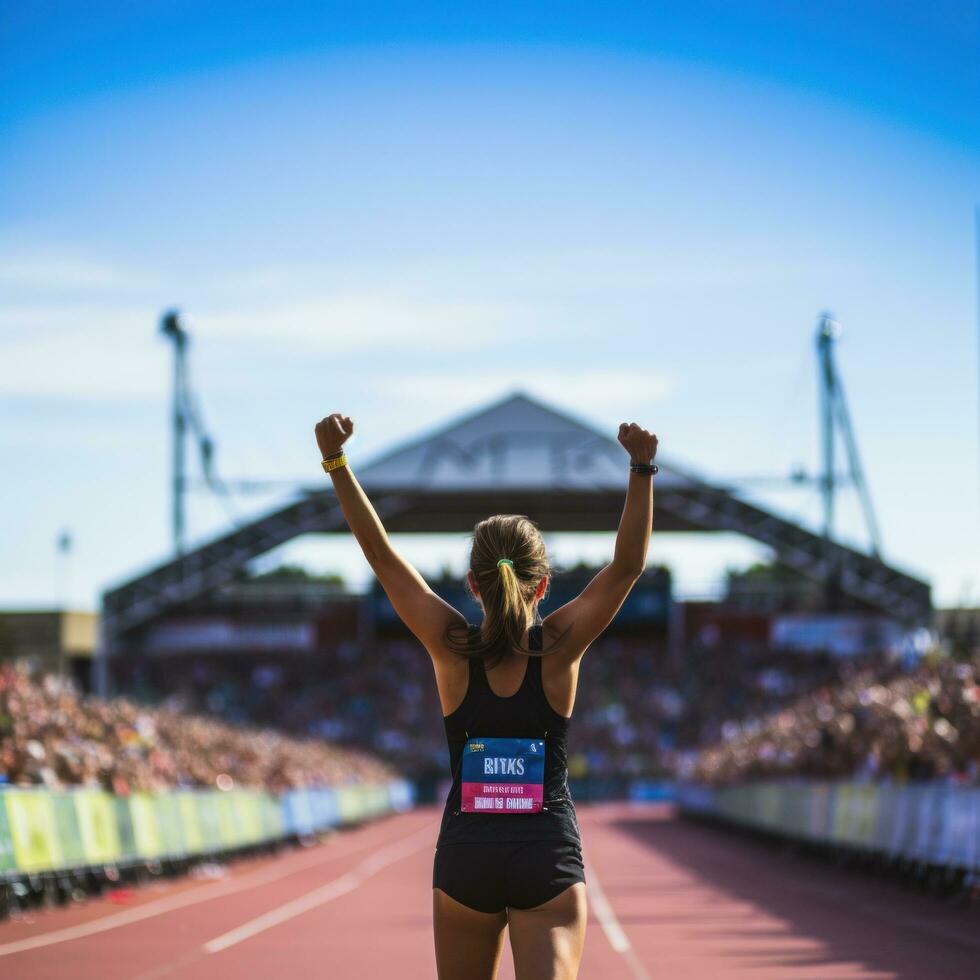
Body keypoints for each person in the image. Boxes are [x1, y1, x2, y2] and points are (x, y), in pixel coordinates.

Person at [314, 412, 657, 980]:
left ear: (473, 583)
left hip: (466, 859)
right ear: (543, 583)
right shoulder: (558, 649)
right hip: (544, 855)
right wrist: (641, 469)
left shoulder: (451, 649)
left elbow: (382, 558)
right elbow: (627, 567)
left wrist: (336, 462)